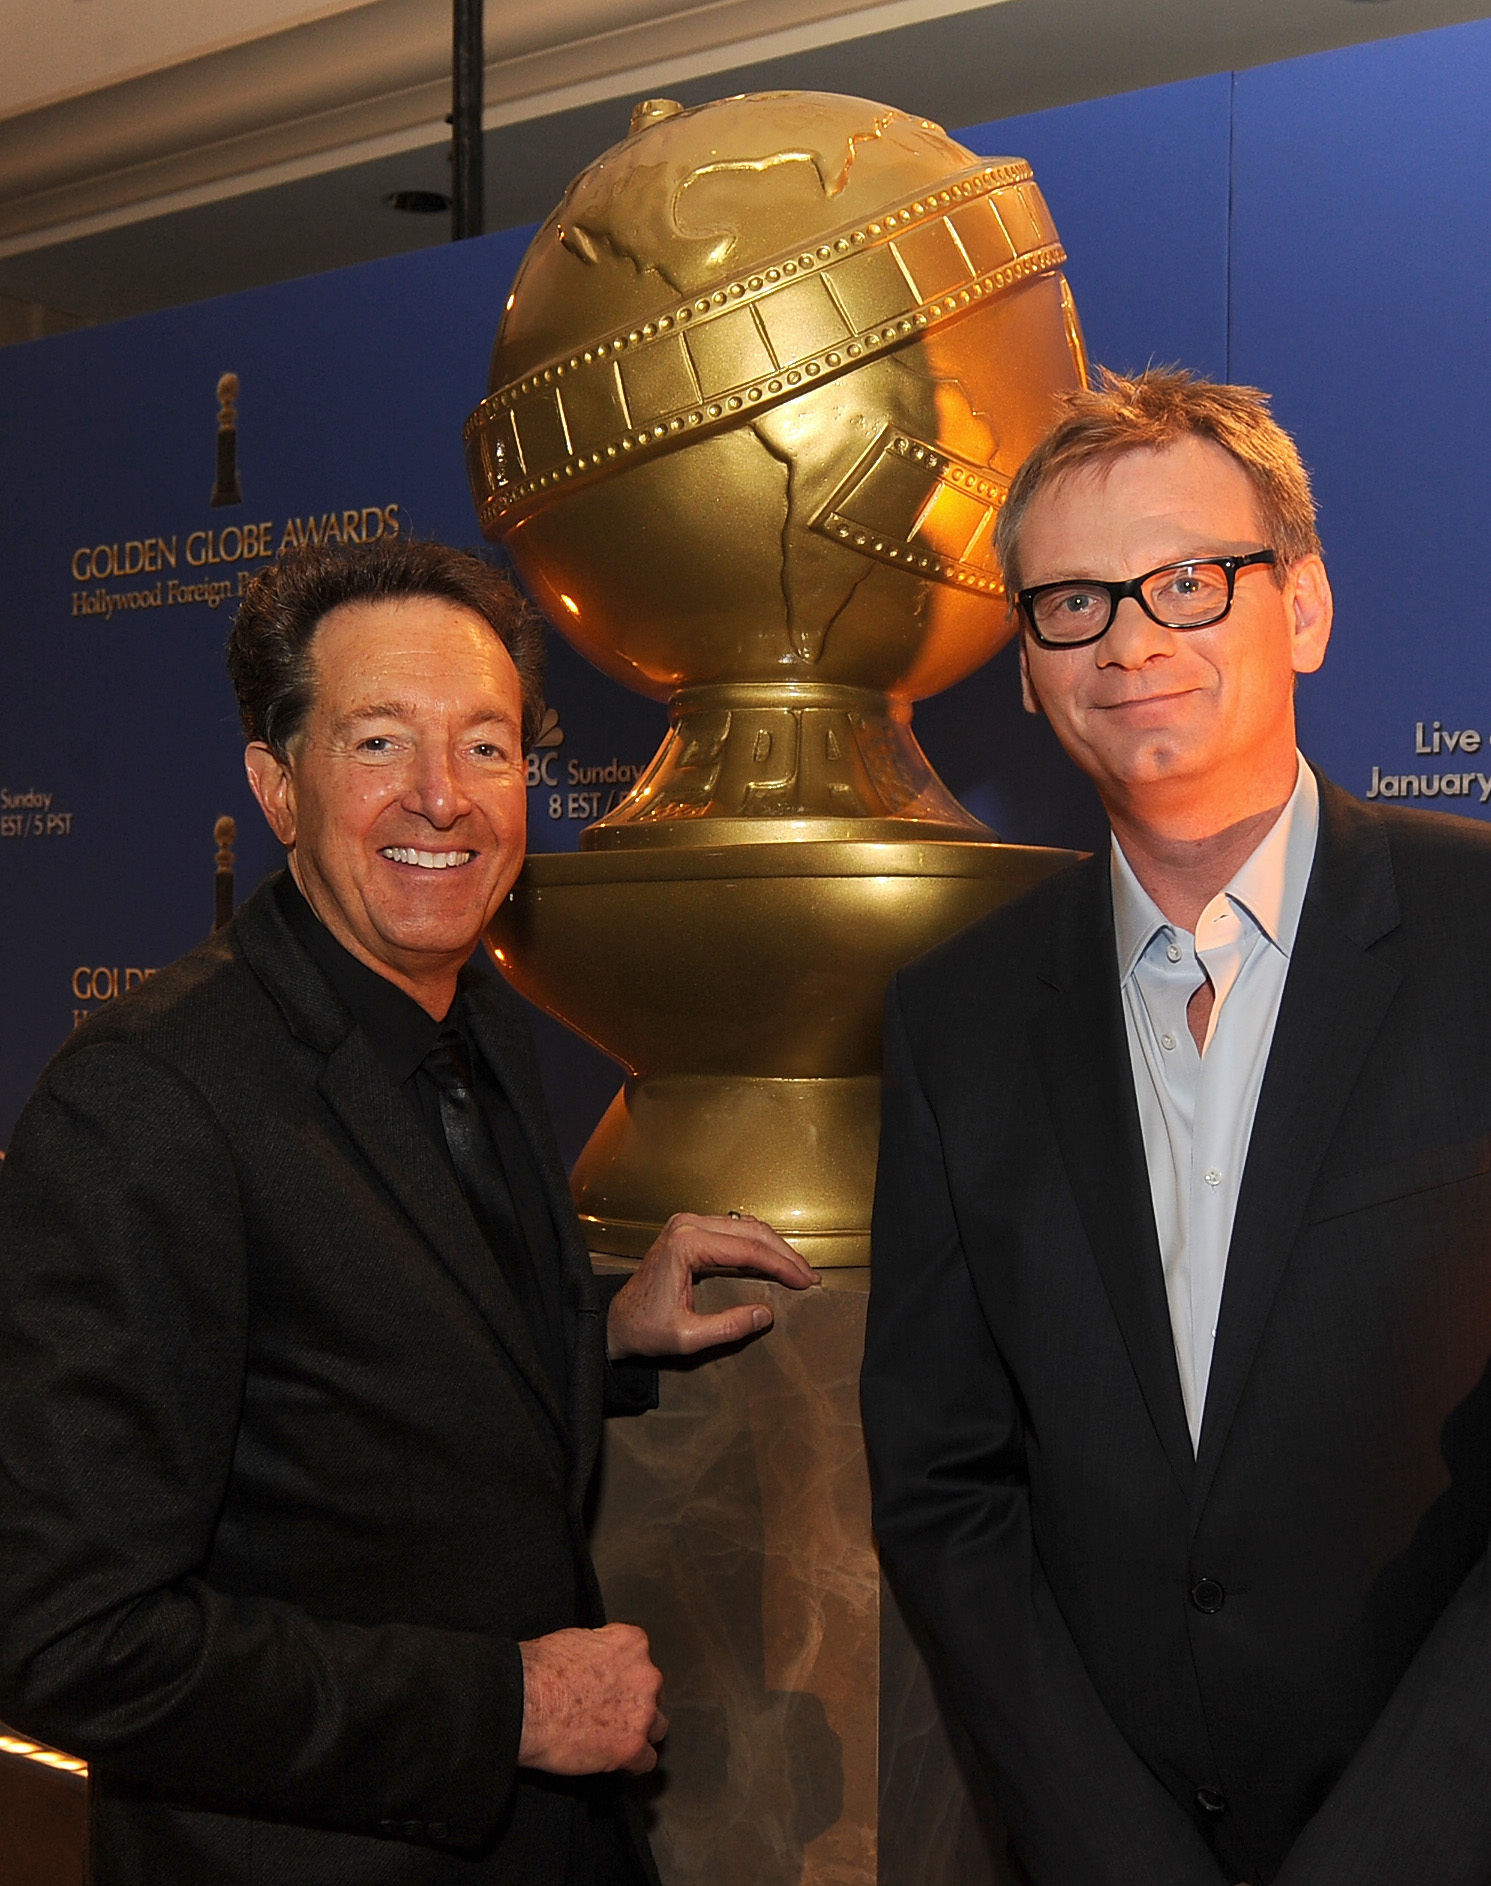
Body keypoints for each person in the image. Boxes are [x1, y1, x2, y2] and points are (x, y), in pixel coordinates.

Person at [0, 536, 817, 1885]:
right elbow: (63, 1633)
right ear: (277, 784)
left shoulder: (479, 1014)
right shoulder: (147, 1103)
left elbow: (351, 1355)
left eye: (487, 748)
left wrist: (600, 1329)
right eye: (380, 742)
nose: (443, 798)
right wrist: (506, 1708)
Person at [860, 368, 1491, 1886]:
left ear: (1308, 606)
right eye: (1071, 602)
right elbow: (946, 1483)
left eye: (1189, 582)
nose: (1130, 639)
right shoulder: (955, 1018)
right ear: (1026, 666)